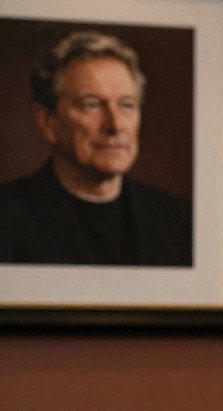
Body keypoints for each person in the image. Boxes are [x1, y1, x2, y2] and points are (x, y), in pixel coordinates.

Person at [0, 31, 192, 266]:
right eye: (91, 105)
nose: (115, 125)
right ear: (48, 122)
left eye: (126, 105)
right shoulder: (8, 217)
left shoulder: (178, 219)